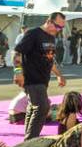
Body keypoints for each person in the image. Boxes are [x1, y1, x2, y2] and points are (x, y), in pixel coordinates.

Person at [13, 12, 67, 140]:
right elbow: (17, 52)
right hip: (31, 77)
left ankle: (28, 140)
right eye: (57, 26)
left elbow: (49, 59)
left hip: (43, 79)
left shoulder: (51, 38)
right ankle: (30, 141)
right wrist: (18, 72)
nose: (59, 30)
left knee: (33, 107)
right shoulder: (33, 33)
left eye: (61, 28)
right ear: (49, 21)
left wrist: (59, 75)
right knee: (42, 107)